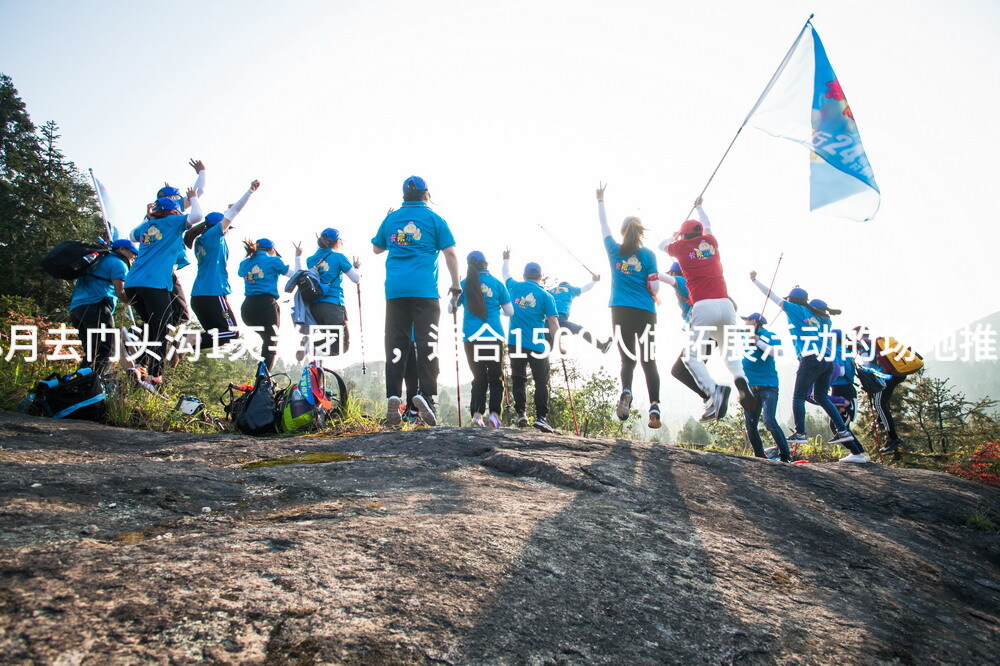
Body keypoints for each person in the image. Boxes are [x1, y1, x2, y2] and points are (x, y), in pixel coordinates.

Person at [749, 274, 870, 463]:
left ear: (792, 300)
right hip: (827, 361)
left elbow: (771, 296)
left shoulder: (794, 309)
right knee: (820, 396)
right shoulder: (823, 318)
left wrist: (755, 281)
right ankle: (843, 431)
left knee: (798, 397)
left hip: (810, 359)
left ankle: (800, 433)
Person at [372, 176, 460, 427]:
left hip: (396, 292)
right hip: (425, 291)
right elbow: (451, 252)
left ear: (403, 195)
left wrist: (387, 220)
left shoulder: (391, 219)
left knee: (396, 343)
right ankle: (426, 395)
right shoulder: (435, 219)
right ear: (426, 195)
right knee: (427, 341)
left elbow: (377, 249)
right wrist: (455, 284)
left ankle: (393, 395)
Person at [663, 197, 753, 422]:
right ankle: (741, 380)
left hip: (703, 307)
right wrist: (701, 207)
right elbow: (708, 225)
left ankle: (714, 392)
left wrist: (675, 236)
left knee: (691, 359)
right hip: (726, 305)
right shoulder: (711, 242)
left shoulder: (681, 248)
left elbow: (660, 246)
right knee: (730, 354)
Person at [597, 184, 662, 429]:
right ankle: (654, 405)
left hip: (620, 311)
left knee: (628, 361)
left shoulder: (614, 250)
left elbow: (603, 227)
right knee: (649, 361)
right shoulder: (649, 256)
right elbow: (655, 289)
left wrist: (600, 201)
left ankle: (626, 390)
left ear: (622, 232)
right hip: (646, 311)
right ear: (640, 232)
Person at [123, 188, 204, 383]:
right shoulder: (173, 222)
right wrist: (193, 196)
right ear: (175, 211)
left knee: (152, 326)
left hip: (133, 284)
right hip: (154, 283)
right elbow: (198, 215)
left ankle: (141, 366)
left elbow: (131, 236)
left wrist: (150, 216)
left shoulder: (147, 225)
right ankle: (155, 376)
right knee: (162, 326)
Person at [184, 179, 260, 352]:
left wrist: (228, 208)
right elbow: (233, 212)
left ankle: (184, 347)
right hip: (213, 292)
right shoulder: (213, 235)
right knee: (232, 333)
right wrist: (250, 192)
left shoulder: (202, 240)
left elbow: (229, 211)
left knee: (220, 337)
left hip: (199, 296)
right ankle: (187, 340)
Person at [450, 251, 512, 427]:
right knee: (495, 377)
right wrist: (494, 310)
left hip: (471, 337)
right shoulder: (498, 284)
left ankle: (477, 415)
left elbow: (450, 308)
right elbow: (510, 312)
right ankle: (494, 415)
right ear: (486, 264)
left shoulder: (464, 284)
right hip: (494, 335)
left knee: (478, 377)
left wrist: (455, 296)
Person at [502, 251, 560, 432]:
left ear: (524, 275)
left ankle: (522, 414)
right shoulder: (546, 296)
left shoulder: (514, 287)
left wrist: (506, 259)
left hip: (516, 340)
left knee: (519, 379)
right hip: (537, 343)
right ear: (540, 277)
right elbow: (553, 322)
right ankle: (541, 418)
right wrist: (559, 344)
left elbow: (505, 274)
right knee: (541, 381)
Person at [69, 239, 137, 376]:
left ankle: (78, 385)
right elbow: (120, 292)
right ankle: (95, 386)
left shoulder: (96, 260)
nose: (134, 256)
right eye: (132, 253)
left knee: (92, 353)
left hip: (76, 309)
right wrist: (135, 303)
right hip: (96, 307)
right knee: (107, 351)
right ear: (122, 249)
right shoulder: (118, 263)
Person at [238, 238, 302, 370]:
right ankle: (262, 380)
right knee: (271, 343)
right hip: (266, 306)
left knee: (267, 341)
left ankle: (261, 375)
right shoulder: (274, 261)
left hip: (247, 309)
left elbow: (241, 273)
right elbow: (295, 275)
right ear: (272, 250)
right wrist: (298, 257)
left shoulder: (244, 263)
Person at [854, 328, 916, 453]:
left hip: (886, 377)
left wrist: (867, 382)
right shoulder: (874, 344)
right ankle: (880, 421)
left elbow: (867, 365)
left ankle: (893, 438)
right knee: (883, 401)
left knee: (879, 403)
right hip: (897, 374)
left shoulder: (863, 346)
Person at [740, 313, 792, 463]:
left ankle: (785, 456)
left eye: (747, 320)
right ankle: (759, 456)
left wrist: (758, 341)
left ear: (755, 322)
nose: (744, 324)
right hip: (749, 388)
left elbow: (778, 353)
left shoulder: (769, 335)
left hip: (768, 387)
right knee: (750, 424)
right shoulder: (745, 335)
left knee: (769, 421)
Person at [659, 261, 712, 405]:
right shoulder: (692, 287)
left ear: (675, 273)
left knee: (679, 370)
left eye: (671, 273)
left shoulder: (684, 282)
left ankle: (713, 394)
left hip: (704, 334)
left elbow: (671, 280)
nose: (670, 275)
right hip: (709, 335)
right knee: (691, 371)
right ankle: (711, 397)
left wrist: (648, 272)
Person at [306, 227, 361, 357]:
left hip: (315, 307)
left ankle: (315, 359)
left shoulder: (310, 260)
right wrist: (356, 268)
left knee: (329, 341)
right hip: (333, 306)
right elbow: (356, 278)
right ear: (337, 242)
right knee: (342, 346)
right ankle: (311, 346)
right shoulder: (339, 257)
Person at [547, 275, 611, 352]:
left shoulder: (550, 291)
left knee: (544, 350)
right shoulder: (570, 289)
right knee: (580, 330)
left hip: (547, 322)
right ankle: (602, 347)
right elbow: (585, 288)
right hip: (560, 321)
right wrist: (594, 281)